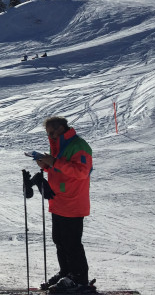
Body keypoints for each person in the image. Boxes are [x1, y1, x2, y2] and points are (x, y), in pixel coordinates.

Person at [35, 116, 93, 293]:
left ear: (61, 128)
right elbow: (61, 170)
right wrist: (46, 165)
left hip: (73, 203)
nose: (50, 136)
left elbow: (82, 172)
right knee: (59, 240)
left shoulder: (79, 145)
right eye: (48, 134)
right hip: (59, 201)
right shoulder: (61, 146)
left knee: (72, 243)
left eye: (52, 133)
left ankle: (79, 278)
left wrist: (53, 162)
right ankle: (66, 273)